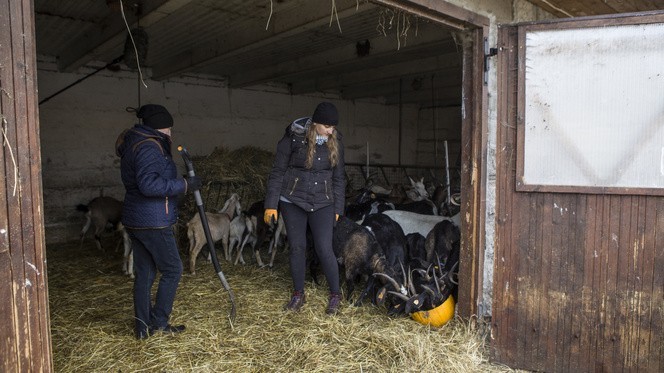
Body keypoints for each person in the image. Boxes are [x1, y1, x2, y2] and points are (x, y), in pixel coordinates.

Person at [115, 104, 201, 340]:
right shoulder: (149, 147)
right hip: (153, 220)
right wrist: (184, 185)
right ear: (157, 128)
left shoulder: (134, 143)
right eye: (167, 129)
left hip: (136, 218)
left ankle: (142, 328)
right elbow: (149, 184)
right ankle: (159, 324)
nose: (170, 134)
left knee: (145, 272)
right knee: (173, 269)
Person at [264, 101, 346, 315]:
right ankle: (298, 293)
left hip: (323, 202)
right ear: (316, 123)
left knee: (324, 248)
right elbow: (278, 172)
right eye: (327, 126)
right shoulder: (293, 137)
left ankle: (335, 294)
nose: (331, 131)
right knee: (297, 247)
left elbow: (338, 178)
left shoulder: (335, 141)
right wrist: (271, 204)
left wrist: (339, 207)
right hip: (293, 201)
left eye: (333, 127)